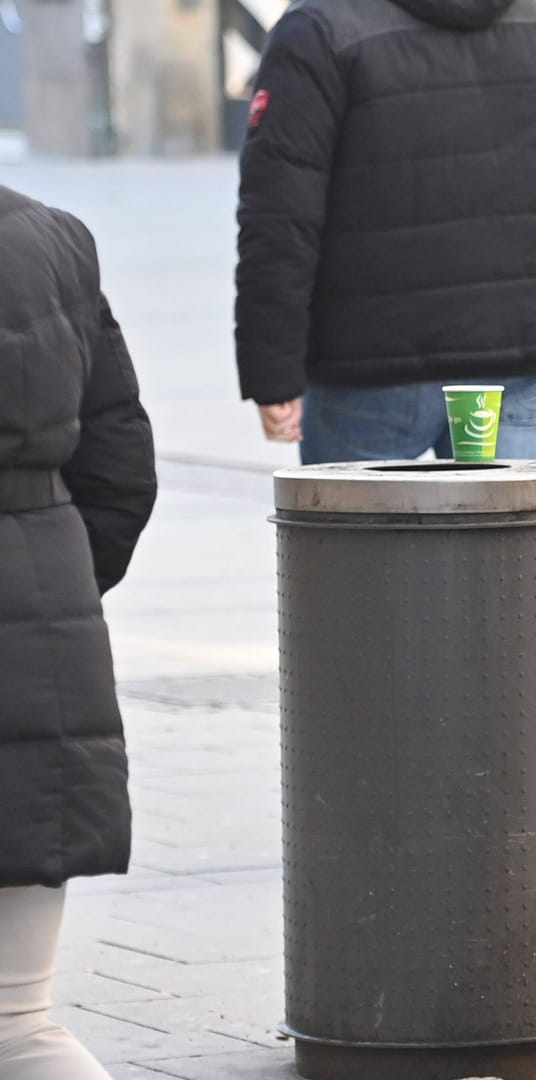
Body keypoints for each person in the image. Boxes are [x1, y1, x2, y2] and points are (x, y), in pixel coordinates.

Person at [235, 0, 536, 464]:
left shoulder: (320, 28)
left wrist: (271, 368)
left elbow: (279, 213)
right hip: (513, 353)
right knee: (501, 532)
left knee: (362, 535)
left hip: (368, 365)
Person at [0, 184, 157, 1080]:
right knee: (19, 1027)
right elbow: (120, 471)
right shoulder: (53, 240)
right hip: (39, 665)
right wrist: (49, 594)